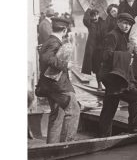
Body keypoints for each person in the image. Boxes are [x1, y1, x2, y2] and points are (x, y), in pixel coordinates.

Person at [37, 16, 80, 144]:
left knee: (57, 114)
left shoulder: (49, 41)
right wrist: (65, 65)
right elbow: (47, 59)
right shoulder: (55, 42)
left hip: (50, 86)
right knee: (74, 110)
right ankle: (67, 144)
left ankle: (51, 146)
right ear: (65, 30)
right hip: (58, 86)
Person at [98, 13, 137, 136]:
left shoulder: (122, 35)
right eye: (124, 23)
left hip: (114, 76)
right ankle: (133, 128)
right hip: (113, 77)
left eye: (129, 24)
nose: (127, 26)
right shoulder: (112, 36)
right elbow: (106, 55)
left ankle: (104, 135)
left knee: (110, 106)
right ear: (118, 22)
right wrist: (128, 56)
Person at [82, 8, 107, 90]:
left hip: (103, 48)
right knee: (97, 68)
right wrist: (89, 8)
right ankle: (99, 84)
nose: (95, 17)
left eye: (96, 15)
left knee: (105, 67)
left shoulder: (104, 23)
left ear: (98, 15)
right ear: (91, 17)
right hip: (94, 50)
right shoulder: (89, 24)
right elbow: (85, 19)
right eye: (93, 16)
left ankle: (106, 84)